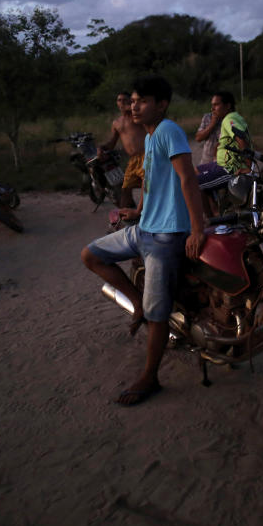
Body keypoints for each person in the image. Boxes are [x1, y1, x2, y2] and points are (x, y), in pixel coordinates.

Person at [81, 75, 206, 407]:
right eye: (133, 100)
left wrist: (196, 230)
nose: (134, 106)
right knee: (91, 255)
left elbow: (188, 179)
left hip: (166, 236)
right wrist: (138, 209)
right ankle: (136, 301)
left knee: (157, 314)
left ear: (161, 104)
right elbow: (152, 178)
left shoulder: (168, 131)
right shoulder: (150, 137)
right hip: (145, 227)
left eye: (143, 101)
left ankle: (150, 377)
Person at [195, 91, 253, 215]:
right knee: (194, 171)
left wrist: (248, 166)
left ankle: (212, 220)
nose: (212, 108)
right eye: (212, 105)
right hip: (220, 163)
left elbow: (241, 139)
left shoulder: (229, 119)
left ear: (228, 106)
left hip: (230, 168)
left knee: (194, 184)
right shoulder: (232, 117)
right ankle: (216, 210)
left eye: (216, 105)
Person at [98, 91, 146, 208]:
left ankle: (145, 215)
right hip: (133, 160)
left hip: (146, 156)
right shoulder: (116, 123)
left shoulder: (137, 116)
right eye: (119, 100)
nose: (122, 102)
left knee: (148, 188)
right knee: (125, 189)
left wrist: (130, 108)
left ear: (131, 102)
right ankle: (128, 217)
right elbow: (111, 143)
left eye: (125, 100)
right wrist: (101, 148)